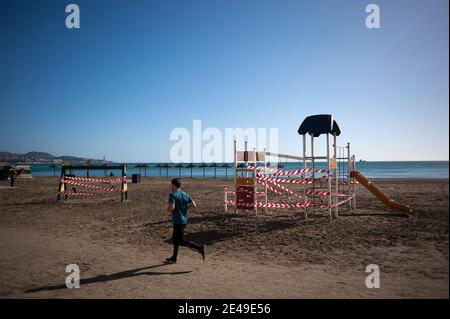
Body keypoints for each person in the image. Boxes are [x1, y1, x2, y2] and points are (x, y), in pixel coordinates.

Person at [166, 178, 205, 264]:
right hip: (184, 220)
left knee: (181, 241)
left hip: (177, 221)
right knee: (175, 239)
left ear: (173, 185)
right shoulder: (185, 194)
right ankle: (173, 258)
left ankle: (199, 248)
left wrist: (168, 209)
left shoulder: (173, 195)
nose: (170, 186)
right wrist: (185, 208)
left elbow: (172, 208)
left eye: (171, 184)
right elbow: (194, 205)